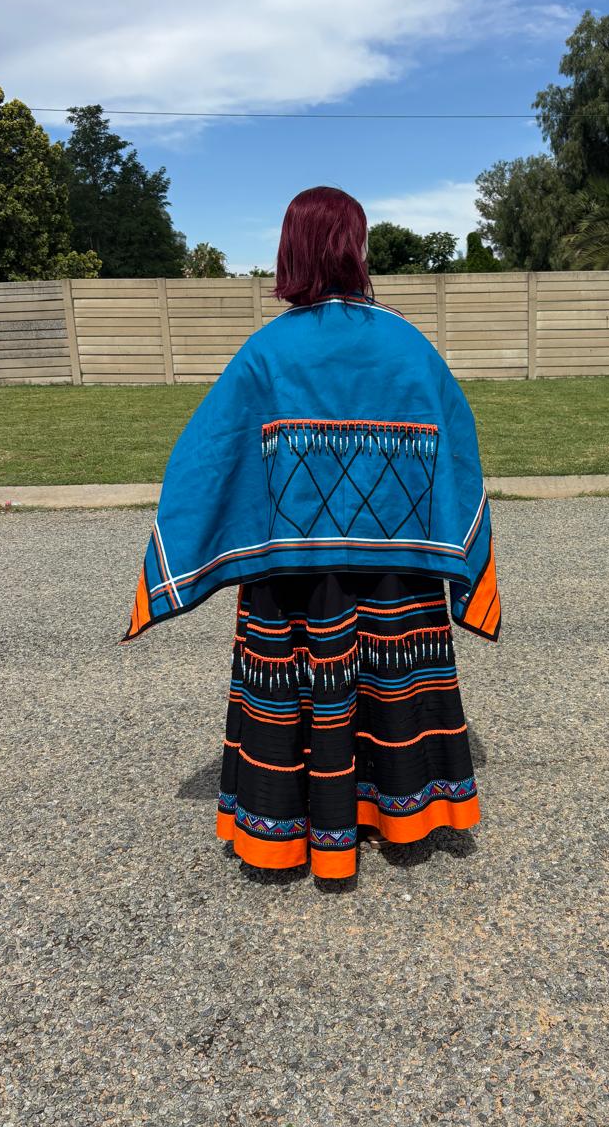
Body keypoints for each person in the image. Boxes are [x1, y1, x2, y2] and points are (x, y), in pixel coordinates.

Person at [119, 185, 500, 879]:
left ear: (290, 251)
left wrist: (168, 568)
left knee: (296, 685)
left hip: (293, 587)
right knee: (395, 683)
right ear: (356, 249)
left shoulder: (266, 354)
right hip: (399, 575)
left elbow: (207, 460)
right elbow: (460, 452)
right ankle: (404, 811)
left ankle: (285, 826)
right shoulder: (409, 347)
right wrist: (464, 558)